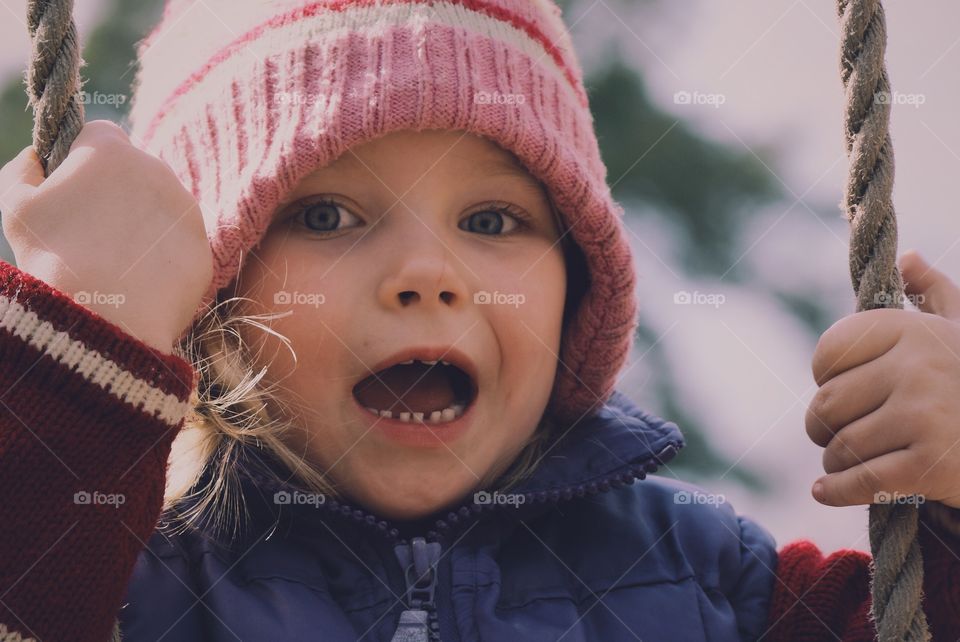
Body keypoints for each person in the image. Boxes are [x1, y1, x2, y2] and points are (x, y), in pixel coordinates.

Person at [0, 1, 958, 640]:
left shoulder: (715, 582)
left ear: (580, 290)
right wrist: (94, 337)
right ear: (210, 301)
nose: (428, 274)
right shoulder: (121, 582)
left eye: (493, 221)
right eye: (327, 215)